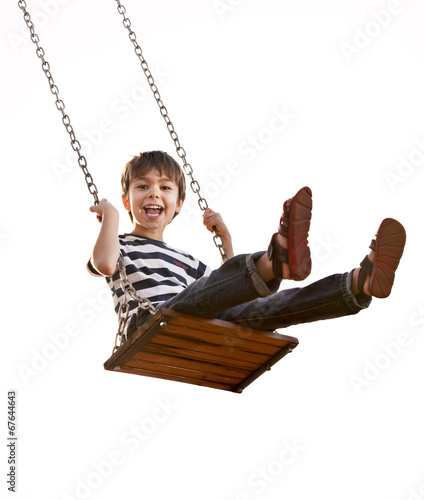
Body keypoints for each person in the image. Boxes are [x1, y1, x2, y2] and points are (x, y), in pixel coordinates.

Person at [88, 150, 406, 339]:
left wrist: (225, 240)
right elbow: (103, 264)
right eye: (142, 186)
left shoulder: (185, 259)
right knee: (200, 298)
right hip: (150, 322)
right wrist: (111, 218)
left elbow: (221, 291)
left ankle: (357, 284)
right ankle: (274, 261)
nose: (154, 193)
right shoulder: (118, 243)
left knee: (263, 309)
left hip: (194, 319)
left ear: (179, 202)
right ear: (127, 200)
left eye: (165, 187)